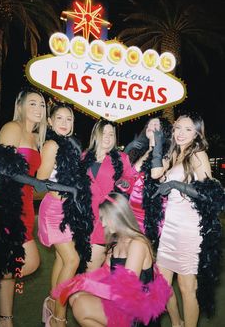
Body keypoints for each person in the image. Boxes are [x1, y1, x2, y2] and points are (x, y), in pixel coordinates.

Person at [52, 192, 172, 327]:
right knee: (75, 297)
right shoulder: (117, 242)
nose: (102, 223)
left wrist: (86, 284)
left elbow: (125, 292)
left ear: (118, 217)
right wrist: (77, 282)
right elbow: (104, 272)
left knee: (81, 306)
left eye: (104, 218)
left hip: (138, 315)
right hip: (121, 304)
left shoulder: (137, 244)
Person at [152, 114, 224, 327]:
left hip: (188, 229)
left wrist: (177, 186)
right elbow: (156, 174)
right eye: (177, 128)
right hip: (169, 228)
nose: (181, 133)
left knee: (186, 288)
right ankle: (177, 322)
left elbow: (209, 195)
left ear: (197, 133)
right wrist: (156, 143)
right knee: (162, 285)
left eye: (188, 129)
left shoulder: (198, 154)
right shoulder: (174, 152)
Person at [0, 88, 47, 327]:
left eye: (42, 105)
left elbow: (38, 181)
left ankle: (5, 319)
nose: (38, 109)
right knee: (29, 262)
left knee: (13, 262)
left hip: (24, 205)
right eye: (32, 103)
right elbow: (1, 169)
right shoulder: (12, 128)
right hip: (6, 204)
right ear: (21, 105)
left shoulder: (36, 138)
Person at [37, 100, 93, 327]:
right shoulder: (52, 145)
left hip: (68, 210)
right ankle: (59, 316)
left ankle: (52, 302)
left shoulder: (70, 145)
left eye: (68, 119)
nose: (64, 122)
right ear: (50, 121)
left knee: (62, 259)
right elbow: (40, 182)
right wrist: (64, 191)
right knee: (73, 259)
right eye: (59, 118)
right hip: (54, 210)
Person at [81, 119, 134, 271]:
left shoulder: (121, 158)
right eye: (104, 133)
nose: (108, 137)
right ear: (96, 135)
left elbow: (130, 178)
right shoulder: (84, 157)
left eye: (111, 134)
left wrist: (125, 183)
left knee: (92, 268)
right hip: (87, 219)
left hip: (109, 219)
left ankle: (86, 293)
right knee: (93, 267)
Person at [122, 117, 171, 247]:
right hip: (130, 214)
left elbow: (157, 174)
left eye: (156, 124)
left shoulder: (168, 155)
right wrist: (128, 148)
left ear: (164, 131)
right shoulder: (140, 152)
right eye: (149, 123)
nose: (151, 125)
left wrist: (157, 144)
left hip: (149, 217)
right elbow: (124, 181)